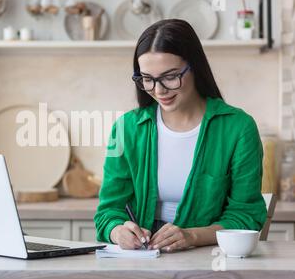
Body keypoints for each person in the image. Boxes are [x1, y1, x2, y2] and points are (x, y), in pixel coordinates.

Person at [93, 19, 267, 252]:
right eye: (147, 78)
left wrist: (192, 236)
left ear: (194, 67)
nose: (159, 90)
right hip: (142, 257)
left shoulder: (238, 128)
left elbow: (246, 216)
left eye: (170, 76)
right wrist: (117, 232)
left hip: (208, 254)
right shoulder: (126, 128)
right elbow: (107, 212)